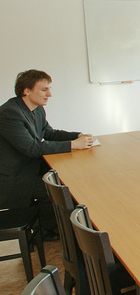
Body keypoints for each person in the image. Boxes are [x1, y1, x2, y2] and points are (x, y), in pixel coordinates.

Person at [0, 70, 94, 239]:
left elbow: (49, 133)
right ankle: (51, 232)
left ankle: (53, 229)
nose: (49, 94)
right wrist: (73, 145)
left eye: (49, 89)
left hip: (31, 168)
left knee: (68, 180)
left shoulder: (37, 109)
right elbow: (32, 148)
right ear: (26, 91)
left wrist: (78, 136)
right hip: (15, 178)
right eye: (44, 90)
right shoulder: (9, 113)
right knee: (59, 193)